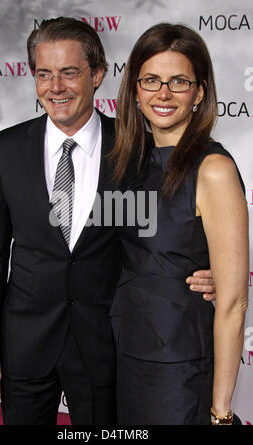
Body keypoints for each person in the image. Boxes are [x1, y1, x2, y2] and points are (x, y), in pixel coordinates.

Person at [0, 18, 215, 425]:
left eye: (69, 72)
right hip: (26, 345)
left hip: (107, 345)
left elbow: (165, 232)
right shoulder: (5, 149)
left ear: (97, 74)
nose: (56, 87)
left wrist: (211, 272)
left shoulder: (135, 147)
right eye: (44, 74)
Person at [110, 22, 249, 425]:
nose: (163, 94)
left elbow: (234, 302)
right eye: (151, 80)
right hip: (128, 356)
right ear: (135, 90)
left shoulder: (214, 169)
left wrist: (220, 412)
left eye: (179, 81)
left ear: (199, 92)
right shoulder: (127, 163)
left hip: (180, 369)